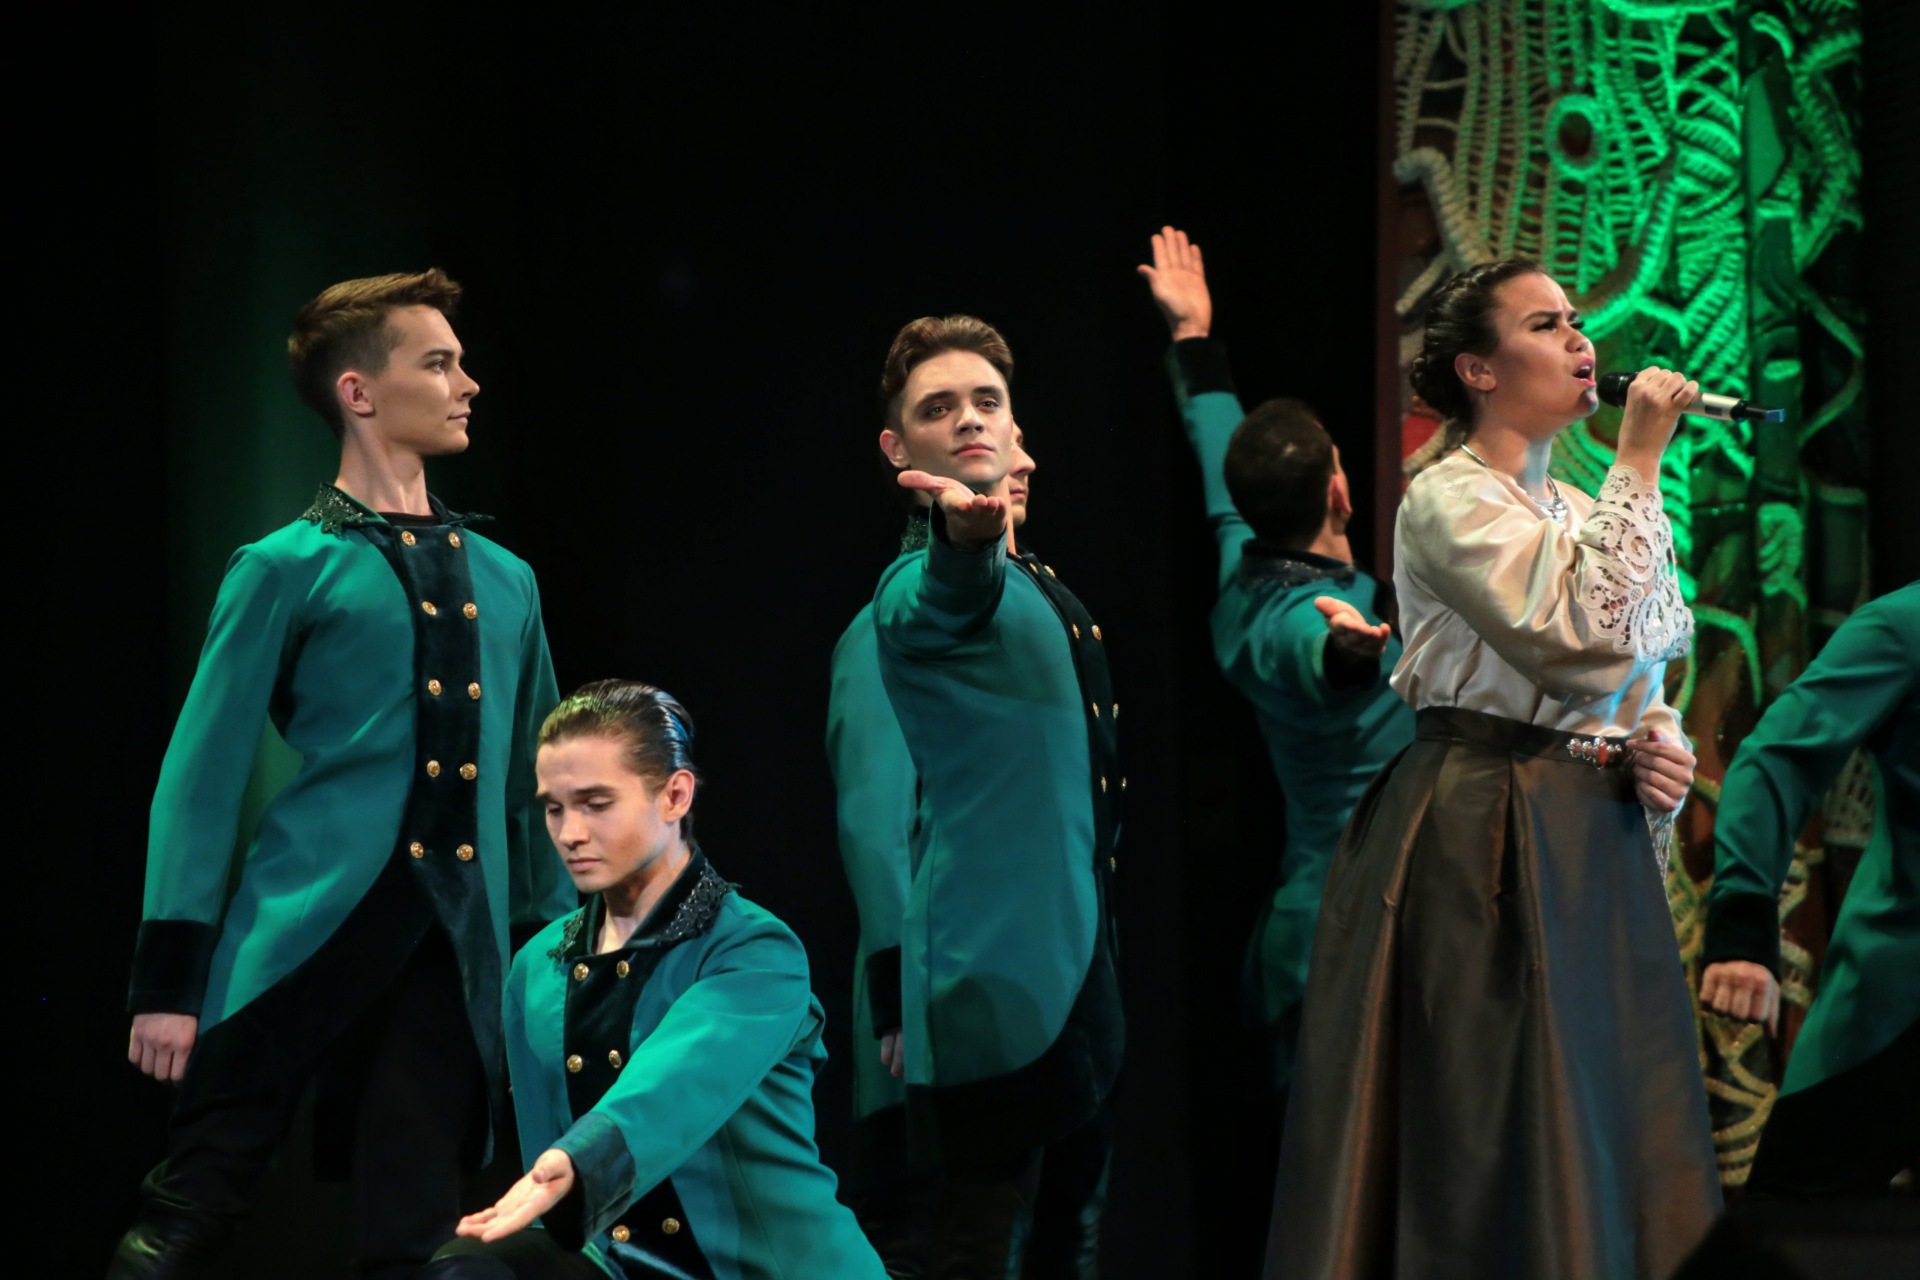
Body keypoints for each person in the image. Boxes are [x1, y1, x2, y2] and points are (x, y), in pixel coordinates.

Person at [110, 271, 577, 1280]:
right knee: (188, 1212)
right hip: (300, 928)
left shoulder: (508, 581)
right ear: (358, 391)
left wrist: (550, 965)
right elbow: (201, 774)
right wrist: (170, 980)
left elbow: (536, 791)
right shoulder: (284, 565)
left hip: (450, 954)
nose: (468, 384)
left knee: (417, 1236)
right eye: (438, 363)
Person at [1265, 258, 1721, 1279]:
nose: (1579, 339)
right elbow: (1581, 640)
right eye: (1545, 324)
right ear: (1478, 368)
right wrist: (1639, 456)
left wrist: (1660, 745)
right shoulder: (1448, 499)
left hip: (1593, 831)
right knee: (1491, 1124)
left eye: (1576, 319)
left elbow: (1638, 667)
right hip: (1487, 827)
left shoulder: (1584, 508)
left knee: (1604, 1118)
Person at [423, 681, 886, 1279]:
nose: (569, 833)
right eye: (554, 807)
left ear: (675, 795)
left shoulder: (755, 951)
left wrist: (579, 1159)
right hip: (616, 1264)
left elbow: (679, 1082)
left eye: (595, 803)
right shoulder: (537, 965)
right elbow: (542, 1155)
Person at [1136, 226, 1414, 1109]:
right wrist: (1351, 651)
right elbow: (1310, 651)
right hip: (1350, 935)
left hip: (1321, 926)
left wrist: (1192, 336)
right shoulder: (1301, 617)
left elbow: (1213, 434)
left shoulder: (1240, 556)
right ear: (1340, 490)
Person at [870, 315, 1122, 1278]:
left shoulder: (1032, 583)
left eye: (987, 402)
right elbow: (944, 593)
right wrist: (963, 542)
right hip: (992, 982)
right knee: (979, 1250)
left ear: (1017, 431)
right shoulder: (915, 587)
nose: (969, 419)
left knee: (1069, 1239)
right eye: (938, 409)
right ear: (899, 450)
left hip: (1076, 962)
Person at [827, 433, 1036, 1277]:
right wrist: (898, 997)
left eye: (1016, 435)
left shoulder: (1028, 628)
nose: (1025, 463)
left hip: (1021, 1020)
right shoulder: (889, 633)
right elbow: (873, 822)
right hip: (928, 1029)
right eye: (1002, 448)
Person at [1699, 582, 1919, 1197]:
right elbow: (1778, 756)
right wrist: (1743, 922)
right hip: (1897, 1007)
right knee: (1795, 1219)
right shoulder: (1905, 624)